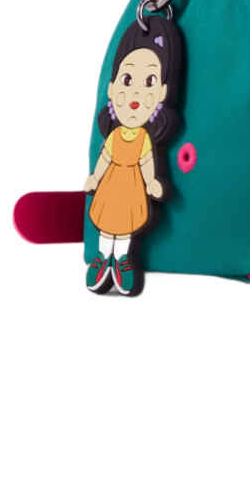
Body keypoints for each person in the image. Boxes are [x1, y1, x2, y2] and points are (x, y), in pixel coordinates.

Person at [81, 17, 181, 298]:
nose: (136, 92)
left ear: (162, 93)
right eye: (127, 80)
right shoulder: (114, 136)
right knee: (107, 222)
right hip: (111, 185)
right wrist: (95, 178)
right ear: (112, 88)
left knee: (125, 226)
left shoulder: (144, 139)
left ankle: (123, 259)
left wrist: (151, 183)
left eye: (149, 81)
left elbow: (148, 163)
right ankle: (103, 258)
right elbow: (104, 158)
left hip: (132, 187)